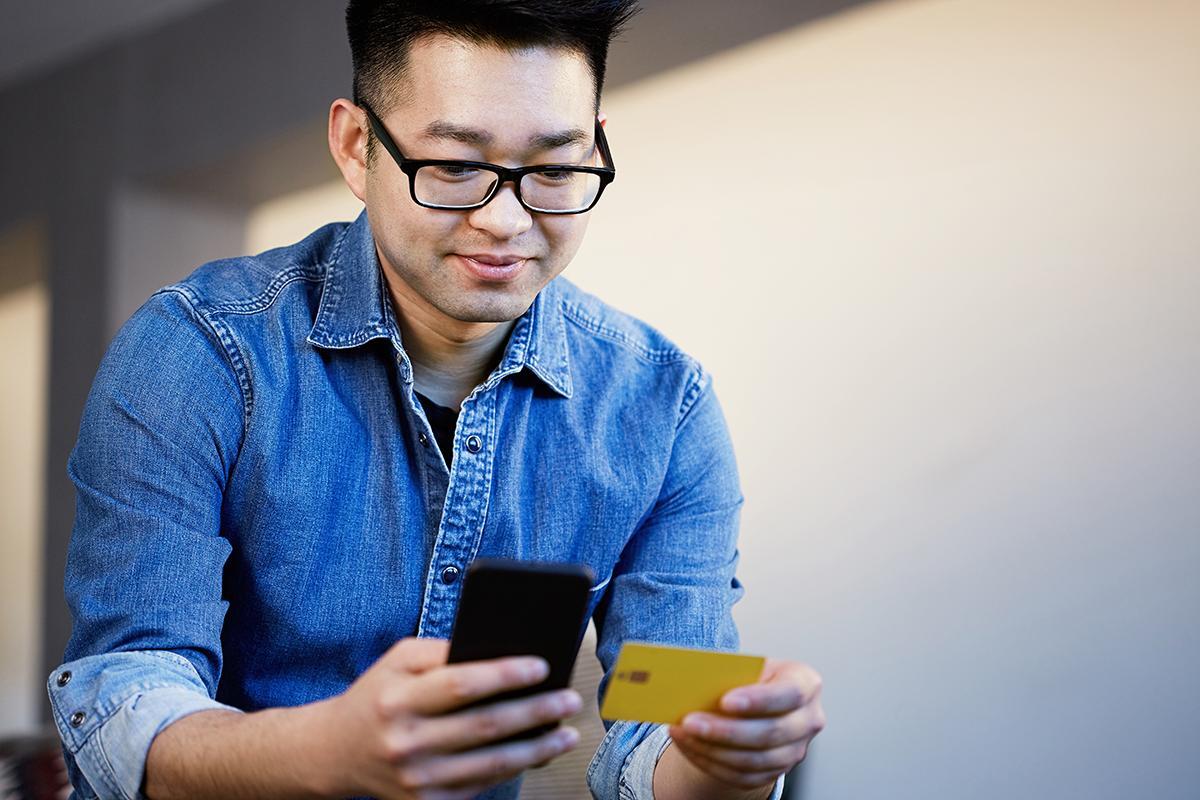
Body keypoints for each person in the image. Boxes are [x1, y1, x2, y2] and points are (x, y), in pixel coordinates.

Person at [47, 2, 826, 798]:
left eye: (554, 170)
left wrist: (728, 755)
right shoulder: (201, 354)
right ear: (357, 147)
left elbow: (660, 722)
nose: (505, 219)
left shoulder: (664, 410)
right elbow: (125, 697)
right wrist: (326, 751)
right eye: (455, 167)